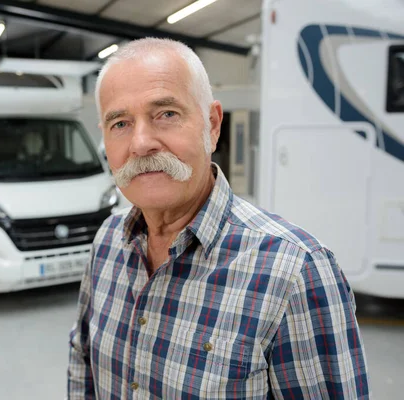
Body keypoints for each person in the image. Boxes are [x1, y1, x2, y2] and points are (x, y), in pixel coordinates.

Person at [67, 38, 369, 399]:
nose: (141, 142)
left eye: (166, 114)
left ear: (212, 124)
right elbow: (82, 365)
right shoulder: (107, 242)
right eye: (121, 123)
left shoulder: (294, 272)